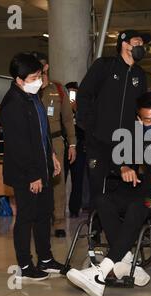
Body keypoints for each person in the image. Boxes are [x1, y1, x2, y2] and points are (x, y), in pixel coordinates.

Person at [67, 91, 151, 296]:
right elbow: (116, 159)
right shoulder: (134, 133)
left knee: (139, 205)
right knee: (102, 200)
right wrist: (124, 167)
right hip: (145, 189)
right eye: (148, 120)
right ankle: (125, 260)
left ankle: (101, 272)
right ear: (139, 119)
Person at [0, 53, 63, 281]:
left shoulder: (32, 96)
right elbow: (20, 146)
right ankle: (25, 265)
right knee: (26, 217)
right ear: (19, 79)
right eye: (35, 76)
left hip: (41, 166)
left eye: (40, 75)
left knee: (44, 214)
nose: (39, 80)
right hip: (26, 172)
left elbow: (42, 132)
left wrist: (52, 156)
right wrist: (33, 175)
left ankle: (45, 259)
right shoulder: (12, 104)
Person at [76, 29, 149, 215]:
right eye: (137, 42)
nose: (141, 46)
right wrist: (89, 126)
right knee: (98, 189)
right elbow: (84, 94)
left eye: (142, 43)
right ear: (124, 44)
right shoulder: (104, 66)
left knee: (124, 187)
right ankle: (95, 232)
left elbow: (141, 109)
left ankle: (119, 229)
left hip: (126, 142)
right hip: (99, 141)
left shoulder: (140, 75)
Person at [32, 52, 77, 238]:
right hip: (34, 142)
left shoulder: (57, 89)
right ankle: (38, 218)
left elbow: (67, 119)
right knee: (35, 180)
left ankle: (58, 220)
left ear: (46, 67)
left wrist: (72, 144)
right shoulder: (29, 89)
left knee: (57, 182)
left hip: (56, 141)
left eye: (40, 64)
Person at [64, 81, 87, 218]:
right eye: (70, 92)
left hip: (79, 146)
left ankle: (74, 208)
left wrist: (76, 110)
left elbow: (86, 127)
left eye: (75, 92)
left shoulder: (83, 109)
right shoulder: (60, 107)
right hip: (64, 146)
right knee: (60, 178)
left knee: (77, 179)